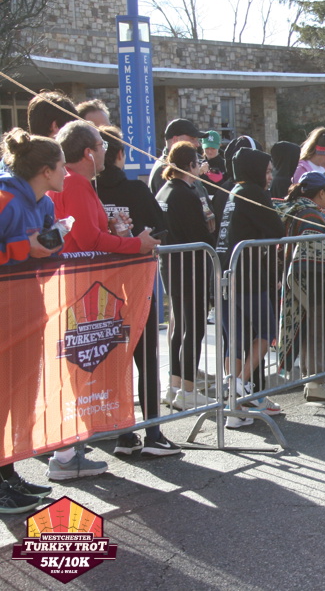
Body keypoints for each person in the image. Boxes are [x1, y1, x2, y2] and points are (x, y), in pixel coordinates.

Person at [48, 120, 161, 479]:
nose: (105, 152)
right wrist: (135, 244)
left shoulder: (71, 182)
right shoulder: (75, 183)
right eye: (101, 145)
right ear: (88, 152)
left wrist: (117, 234)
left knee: (81, 366)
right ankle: (66, 454)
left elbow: (88, 234)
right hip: (80, 287)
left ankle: (70, 451)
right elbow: (88, 239)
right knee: (80, 367)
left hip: (79, 286)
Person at [95, 127, 181, 456]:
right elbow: (161, 228)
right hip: (135, 284)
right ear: (120, 154)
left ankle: (123, 433)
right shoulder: (134, 189)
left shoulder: (87, 190)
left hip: (96, 289)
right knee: (145, 358)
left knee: (111, 361)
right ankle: (153, 433)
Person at [0, 129, 65, 512]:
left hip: (28, 310)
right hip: (3, 313)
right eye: (62, 166)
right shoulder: (5, 198)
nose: (66, 173)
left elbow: (43, 256)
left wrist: (54, 245)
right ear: (45, 170)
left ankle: (8, 473)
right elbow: (17, 248)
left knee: (19, 396)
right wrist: (26, 246)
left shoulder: (46, 204)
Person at [215, 148, 285, 428]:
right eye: (266, 171)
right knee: (267, 331)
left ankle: (235, 408)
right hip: (249, 276)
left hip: (226, 274)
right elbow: (276, 230)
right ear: (255, 170)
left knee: (234, 339)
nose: (270, 177)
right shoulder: (254, 193)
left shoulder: (234, 190)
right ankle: (240, 385)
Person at [275, 172, 325, 402]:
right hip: (315, 283)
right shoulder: (310, 215)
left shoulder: (299, 210)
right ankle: (317, 382)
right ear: (321, 192)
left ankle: (312, 381)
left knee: (310, 332)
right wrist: (323, 285)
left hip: (306, 282)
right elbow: (311, 253)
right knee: (318, 331)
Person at [155, 142, 217, 412]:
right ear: (190, 165)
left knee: (179, 325)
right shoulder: (185, 194)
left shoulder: (164, 190)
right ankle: (187, 389)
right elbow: (200, 234)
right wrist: (211, 233)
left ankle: (175, 386)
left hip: (171, 266)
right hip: (190, 266)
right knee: (194, 327)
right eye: (197, 162)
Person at [149, 119, 209, 195]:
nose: (197, 144)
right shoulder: (166, 169)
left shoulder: (183, 165)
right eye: (192, 139)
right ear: (176, 140)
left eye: (197, 140)